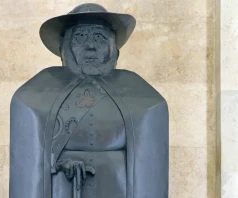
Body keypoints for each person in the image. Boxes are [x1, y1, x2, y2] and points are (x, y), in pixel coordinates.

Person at [10, 3, 169, 198]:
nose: (91, 46)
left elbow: (150, 170)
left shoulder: (143, 96)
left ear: (115, 50)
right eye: (80, 37)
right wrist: (58, 165)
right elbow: (28, 163)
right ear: (63, 50)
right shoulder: (33, 95)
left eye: (99, 37)